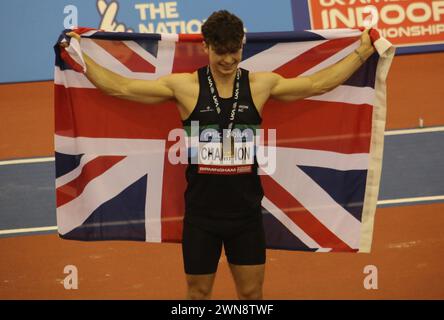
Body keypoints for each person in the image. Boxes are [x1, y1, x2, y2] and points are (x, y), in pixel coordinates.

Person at [61, 10, 375, 300]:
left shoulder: (259, 85)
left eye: (234, 51)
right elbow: (123, 88)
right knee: (197, 296)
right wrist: (82, 60)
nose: (228, 60)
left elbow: (317, 84)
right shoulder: (185, 87)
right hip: (201, 217)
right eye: (220, 51)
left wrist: (363, 51)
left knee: (251, 295)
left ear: (242, 45)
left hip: (246, 215)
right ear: (206, 47)